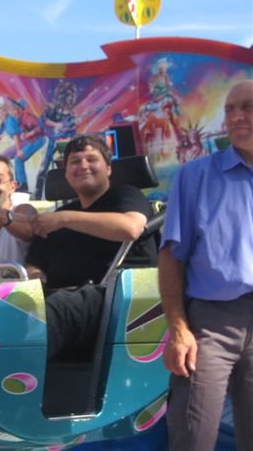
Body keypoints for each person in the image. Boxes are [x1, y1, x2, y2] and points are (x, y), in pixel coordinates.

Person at [158, 80, 253, 451]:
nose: (236, 116)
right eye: (230, 109)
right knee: (192, 438)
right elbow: (171, 257)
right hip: (210, 325)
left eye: (247, 107)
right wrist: (179, 329)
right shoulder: (194, 176)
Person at [26, 134, 157, 358]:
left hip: (114, 298)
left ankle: (17, 372)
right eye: (75, 162)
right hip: (62, 299)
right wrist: (36, 280)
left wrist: (65, 219)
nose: (83, 166)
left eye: (91, 159)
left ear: (108, 168)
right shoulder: (57, 217)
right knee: (11, 310)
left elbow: (131, 228)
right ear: (66, 173)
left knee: (57, 308)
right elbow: (34, 264)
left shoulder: (126, 196)